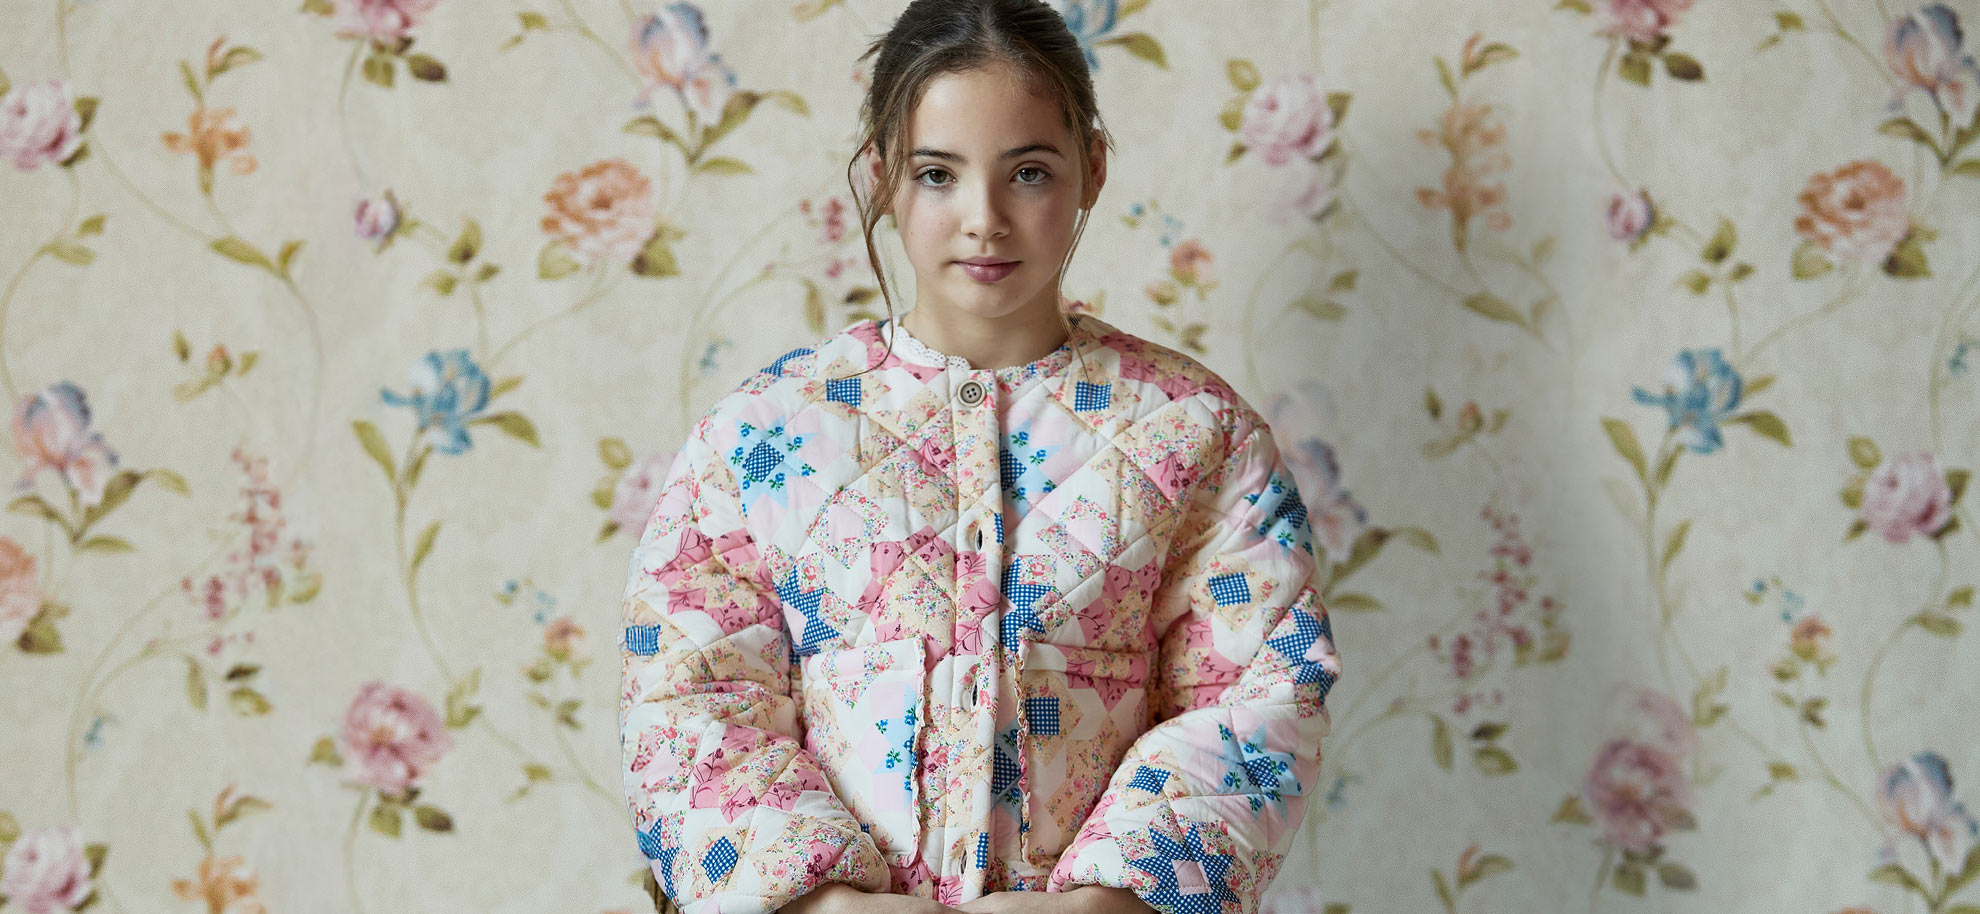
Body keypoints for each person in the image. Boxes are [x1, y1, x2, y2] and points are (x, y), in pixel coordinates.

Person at [618, 2, 1343, 913]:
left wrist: (1101, 904)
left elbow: (1257, 694)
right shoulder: (765, 435)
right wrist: (826, 902)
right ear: (883, 177)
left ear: (1092, 171)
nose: (984, 219)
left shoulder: (1195, 432)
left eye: (1028, 172)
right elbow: (691, 693)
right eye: (937, 174)